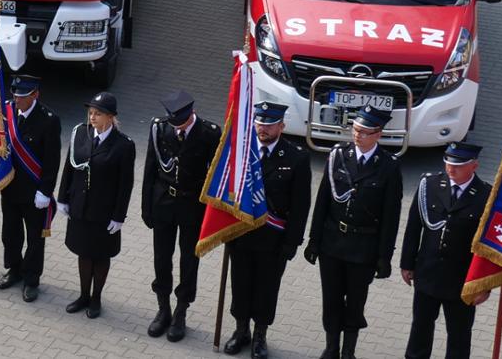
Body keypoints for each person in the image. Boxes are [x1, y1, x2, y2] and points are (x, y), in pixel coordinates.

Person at [305, 108, 403, 359]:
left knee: (355, 302)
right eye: (355, 130)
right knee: (331, 299)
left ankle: (349, 350)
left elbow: (391, 217)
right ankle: (331, 347)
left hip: (363, 247)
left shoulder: (389, 167)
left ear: (378, 134)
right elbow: (323, 201)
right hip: (333, 243)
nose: (357, 136)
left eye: (364, 132)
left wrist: (384, 257)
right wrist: (314, 241)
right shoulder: (338, 156)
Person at [222, 101, 312, 359]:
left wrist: (291, 242)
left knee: (266, 288)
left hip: (273, 239)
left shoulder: (296, 158)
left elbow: (300, 205)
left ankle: (260, 335)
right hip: (241, 234)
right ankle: (241, 331)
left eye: (270, 124)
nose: (263, 128)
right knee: (240, 285)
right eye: (260, 123)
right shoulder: (242, 153)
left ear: (281, 126)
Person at [143, 90, 223, 342]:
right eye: (173, 122)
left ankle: (181, 311)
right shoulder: (159, 129)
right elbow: (150, 170)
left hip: (191, 205)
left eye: (181, 122)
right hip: (164, 202)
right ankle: (163, 308)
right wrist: (146, 207)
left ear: (191, 114)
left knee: (189, 260)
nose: (177, 127)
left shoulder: (209, 133)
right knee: (161, 258)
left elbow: (216, 177)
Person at [402, 141, 491, 359]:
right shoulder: (430, 185)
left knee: (459, 336)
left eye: (458, 165)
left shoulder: (486, 195)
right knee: (420, 329)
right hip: (428, 272)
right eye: (447, 162)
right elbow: (414, 227)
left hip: (462, 281)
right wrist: (407, 263)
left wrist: (485, 284)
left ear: (474, 166)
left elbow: (488, 246)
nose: (451, 168)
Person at [60, 91, 137, 320]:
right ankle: (84, 294)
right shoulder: (80, 133)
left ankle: (96, 297)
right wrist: (63, 197)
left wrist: (119, 216)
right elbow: (69, 167)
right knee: (83, 252)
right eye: (91, 113)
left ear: (110, 117)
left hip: (104, 211)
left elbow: (126, 184)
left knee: (101, 255)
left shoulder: (123, 145)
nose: (92, 117)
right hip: (80, 206)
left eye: (98, 114)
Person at [0, 73, 62, 302]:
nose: (17, 100)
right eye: (15, 95)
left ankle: (31, 279)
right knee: (10, 234)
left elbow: (52, 160)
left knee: (35, 239)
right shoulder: (6, 113)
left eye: (23, 96)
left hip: (34, 192)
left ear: (35, 95)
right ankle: (14, 269)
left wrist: (45, 191)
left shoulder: (49, 120)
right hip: (10, 187)